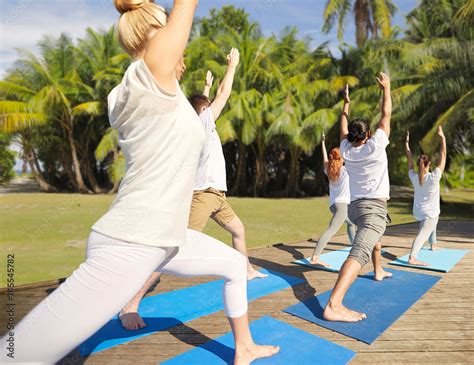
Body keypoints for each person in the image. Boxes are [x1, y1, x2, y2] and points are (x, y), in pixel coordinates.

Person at [0, 1, 279, 363]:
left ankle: (244, 348)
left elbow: (202, 108)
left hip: (167, 238)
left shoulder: (162, 100)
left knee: (233, 266)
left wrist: (225, 74)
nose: (183, 51)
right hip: (131, 241)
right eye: (174, 38)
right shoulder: (144, 79)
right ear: (156, 37)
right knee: (19, 353)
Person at [120, 48, 267, 333]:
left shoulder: (200, 125)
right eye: (209, 105)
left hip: (217, 197)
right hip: (203, 196)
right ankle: (130, 303)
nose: (214, 109)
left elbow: (202, 103)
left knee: (238, 229)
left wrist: (205, 88)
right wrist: (233, 66)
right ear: (204, 111)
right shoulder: (201, 123)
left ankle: (247, 270)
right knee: (171, 250)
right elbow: (223, 95)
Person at [323, 78, 393, 323]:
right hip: (373, 209)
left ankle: (379, 270)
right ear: (369, 134)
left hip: (356, 209)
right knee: (359, 251)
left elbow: (342, 126)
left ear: (351, 136)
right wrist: (386, 88)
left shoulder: (345, 149)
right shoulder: (376, 145)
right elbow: (386, 113)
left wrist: (345, 104)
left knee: (371, 236)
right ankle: (334, 304)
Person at [310, 132, 355, 267]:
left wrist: (323, 143)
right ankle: (315, 257)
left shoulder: (329, 169)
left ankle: (355, 248)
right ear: (342, 158)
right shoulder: (346, 170)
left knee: (351, 223)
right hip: (342, 206)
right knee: (331, 230)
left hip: (333, 205)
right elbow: (352, 156)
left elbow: (325, 158)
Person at [405, 127, 446, 266]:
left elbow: (409, 159)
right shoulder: (434, 176)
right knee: (425, 230)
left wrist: (406, 144)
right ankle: (412, 257)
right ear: (429, 164)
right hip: (429, 213)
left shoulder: (414, 177)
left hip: (418, 212)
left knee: (432, 218)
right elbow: (443, 155)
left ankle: (433, 243)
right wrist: (443, 138)